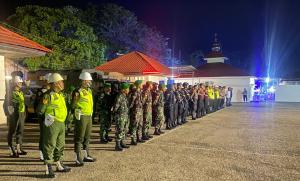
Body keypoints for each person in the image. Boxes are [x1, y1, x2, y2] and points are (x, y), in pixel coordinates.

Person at [39, 73, 71, 178]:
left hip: (61, 123)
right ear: (56, 83)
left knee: (60, 145)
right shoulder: (48, 95)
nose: (63, 84)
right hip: (52, 123)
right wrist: (47, 118)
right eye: (61, 82)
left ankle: (59, 164)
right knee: (50, 145)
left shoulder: (60, 94)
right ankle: (48, 168)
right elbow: (40, 110)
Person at [72, 72, 96, 166]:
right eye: (88, 80)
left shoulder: (89, 90)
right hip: (81, 116)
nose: (90, 82)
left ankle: (86, 155)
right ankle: (78, 157)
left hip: (88, 115)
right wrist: (77, 112)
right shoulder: (78, 91)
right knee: (79, 137)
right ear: (84, 81)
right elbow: (73, 105)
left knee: (87, 136)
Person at [6, 76, 27, 157]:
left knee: (20, 131)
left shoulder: (20, 92)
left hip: (21, 114)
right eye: (19, 82)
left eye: (21, 82)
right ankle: (12, 150)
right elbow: (7, 105)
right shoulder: (10, 93)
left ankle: (19, 149)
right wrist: (11, 115)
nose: (21, 84)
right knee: (12, 132)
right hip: (14, 115)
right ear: (15, 83)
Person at [36, 73, 52, 161]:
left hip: (51, 118)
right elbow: (38, 106)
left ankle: (49, 152)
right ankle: (42, 153)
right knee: (43, 136)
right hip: (43, 117)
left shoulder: (53, 92)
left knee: (50, 136)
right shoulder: (41, 92)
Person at [113, 83, 130, 151]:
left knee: (124, 130)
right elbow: (115, 107)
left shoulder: (124, 96)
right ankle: (117, 145)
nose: (128, 90)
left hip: (124, 115)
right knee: (119, 130)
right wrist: (117, 115)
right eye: (127, 88)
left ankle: (122, 142)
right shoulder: (119, 96)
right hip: (120, 116)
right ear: (124, 89)